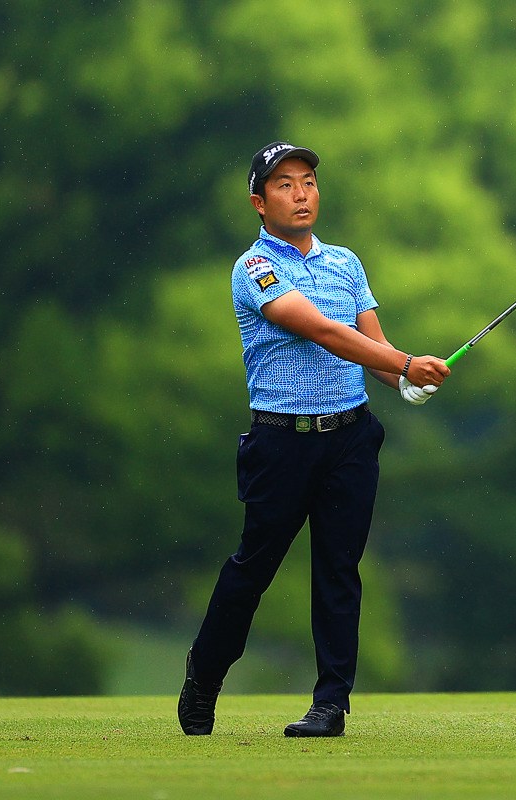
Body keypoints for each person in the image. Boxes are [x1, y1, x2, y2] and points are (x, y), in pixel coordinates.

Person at [177, 141, 449, 738]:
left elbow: (373, 352)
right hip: (282, 443)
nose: (301, 193)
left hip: (349, 438)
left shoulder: (346, 263)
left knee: (339, 571)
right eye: (284, 185)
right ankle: (204, 677)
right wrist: (406, 363)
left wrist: (410, 378)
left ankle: (331, 704)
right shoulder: (253, 269)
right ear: (259, 201)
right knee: (253, 569)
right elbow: (322, 330)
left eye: (308, 182)